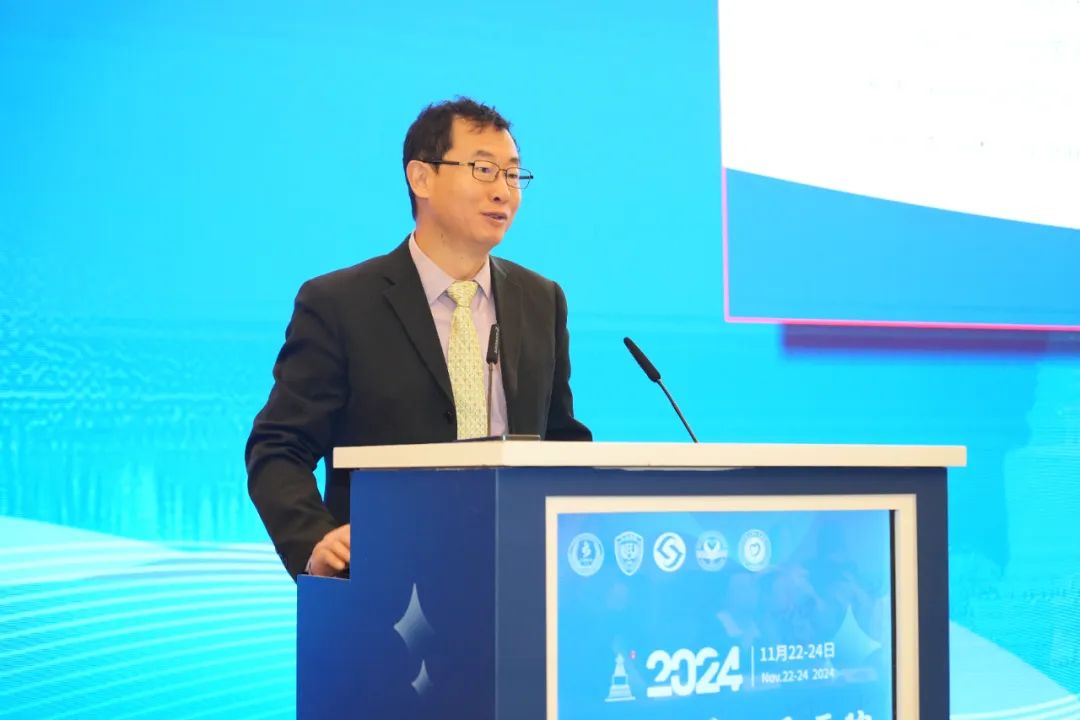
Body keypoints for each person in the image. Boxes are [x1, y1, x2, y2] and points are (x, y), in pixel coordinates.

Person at [245, 97, 592, 580]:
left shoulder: (541, 300)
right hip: (386, 581)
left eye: (514, 175)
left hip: (518, 577)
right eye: (484, 170)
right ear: (421, 178)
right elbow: (279, 447)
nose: (503, 192)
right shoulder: (341, 304)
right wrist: (315, 541)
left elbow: (559, 440)